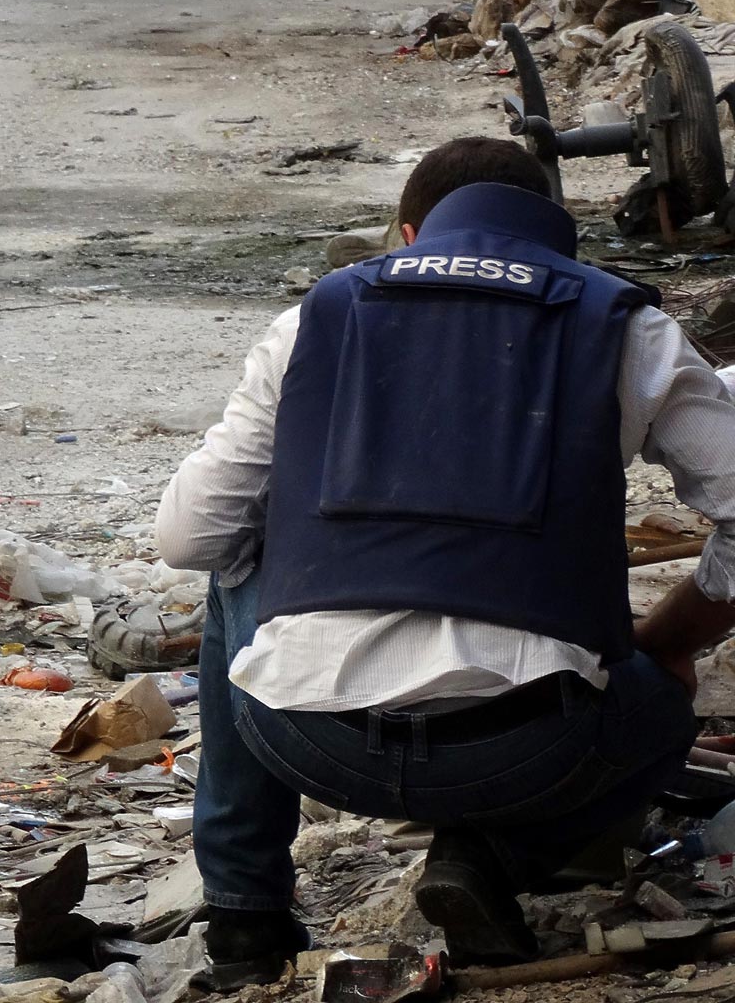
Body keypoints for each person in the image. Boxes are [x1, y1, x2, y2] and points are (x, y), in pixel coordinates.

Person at [157, 136, 735, 981]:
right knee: (656, 702)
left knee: (231, 564)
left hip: (308, 739)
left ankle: (246, 916)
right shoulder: (622, 324)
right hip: (533, 748)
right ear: (554, 239)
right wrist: (675, 637)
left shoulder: (314, 318)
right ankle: (493, 856)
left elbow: (186, 538)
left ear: (406, 233)